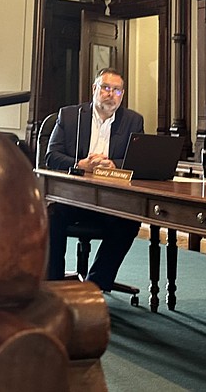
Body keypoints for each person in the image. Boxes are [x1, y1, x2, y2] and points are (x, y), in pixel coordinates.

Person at [44, 67, 143, 292]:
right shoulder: (70, 116)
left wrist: (114, 164)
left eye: (117, 90)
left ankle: (95, 285)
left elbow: (136, 161)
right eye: (106, 88)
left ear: (123, 95)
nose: (110, 94)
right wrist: (81, 164)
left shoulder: (133, 121)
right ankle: (54, 286)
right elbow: (51, 156)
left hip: (112, 200)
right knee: (51, 215)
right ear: (94, 89)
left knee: (130, 221)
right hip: (74, 198)